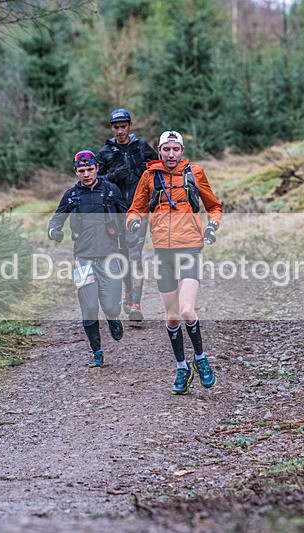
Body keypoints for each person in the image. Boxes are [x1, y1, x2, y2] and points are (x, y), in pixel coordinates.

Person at [126, 130, 223, 395]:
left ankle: (201, 359)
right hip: (163, 254)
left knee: (187, 311)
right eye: (166, 150)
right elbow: (136, 208)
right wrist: (133, 222)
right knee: (171, 318)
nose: (170, 155)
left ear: (181, 151)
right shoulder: (149, 176)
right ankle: (182, 367)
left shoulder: (195, 173)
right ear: (159, 151)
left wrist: (212, 227)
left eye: (175, 150)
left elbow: (214, 206)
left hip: (190, 248)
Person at [48, 150, 126, 368]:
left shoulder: (111, 190)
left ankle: (112, 318)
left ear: (97, 169)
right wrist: (54, 231)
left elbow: (127, 215)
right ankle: (97, 352)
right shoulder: (71, 196)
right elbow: (56, 220)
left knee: (111, 306)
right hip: (83, 259)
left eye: (89, 169)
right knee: (89, 307)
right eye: (81, 171)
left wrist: (133, 232)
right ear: (76, 172)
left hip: (110, 257)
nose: (86, 174)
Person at [96, 109, 157, 322]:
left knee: (135, 254)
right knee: (121, 257)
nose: (120, 131)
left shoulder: (142, 148)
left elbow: (158, 174)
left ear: (130, 126)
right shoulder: (105, 153)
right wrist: (112, 176)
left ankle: (135, 304)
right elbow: (94, 179)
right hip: (114, 213)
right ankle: (128, 294)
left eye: (123, 126)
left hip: (139, 211)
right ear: (111, 128)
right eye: (116, 127)